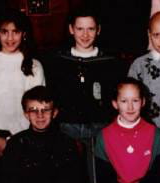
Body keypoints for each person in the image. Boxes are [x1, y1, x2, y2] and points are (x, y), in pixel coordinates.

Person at [0, 10, 45, 159]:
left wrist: (15, 140)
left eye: (15, 32)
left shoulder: (34, 66)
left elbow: (37, 109)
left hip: (25, 140)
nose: (10, 38)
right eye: (5, 32)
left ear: (23, 34)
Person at [46, 9, 125, 143]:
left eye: (91, 29)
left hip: (101, 126)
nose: (85, 35)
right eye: (80, 29)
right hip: (67, 126)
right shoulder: (58, 61)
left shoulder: (110, 62)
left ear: (98, 30)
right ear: (71, 29)